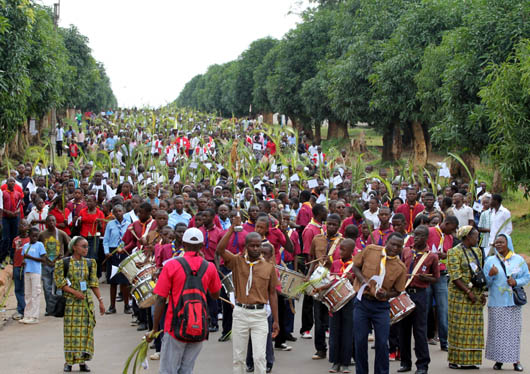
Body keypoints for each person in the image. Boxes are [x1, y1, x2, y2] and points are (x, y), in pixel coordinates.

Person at [148, 227, 221, 374]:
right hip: (199, 326)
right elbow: (215, 295)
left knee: (168, 370)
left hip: (174, 325)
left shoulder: (171, 265)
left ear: (183, 244)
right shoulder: (210, 267)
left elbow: (161, 299)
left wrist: (155, 329)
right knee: (187, 369)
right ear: (202, 246)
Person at [217, 218, 280, 374]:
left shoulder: (269, 267)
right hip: (240, 313)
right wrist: (232, 229)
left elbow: (272, 294)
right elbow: (220, 250)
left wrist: (276, 321)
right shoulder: (237, 261)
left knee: (259, 357)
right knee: (238, 357)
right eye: (252, 246)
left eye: (258, 246)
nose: (255, 249)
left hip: (260, 315)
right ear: (246, 246)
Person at [351, 233, 407, 374]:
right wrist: (363, 280)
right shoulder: (370, 250)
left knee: (382, 343)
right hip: (362, 302)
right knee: (360, 341)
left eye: (398, 246)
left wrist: (387, 294)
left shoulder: (401, 267)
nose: (394, 248)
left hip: (381, 307)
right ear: (386, 242)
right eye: (392, 244)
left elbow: (398, 291)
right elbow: (355, 267)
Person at [54, 236, 105, 372]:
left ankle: (82, 361)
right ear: (74, 247)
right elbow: (60, 283)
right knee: (71, 333)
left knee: (86, 332)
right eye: (83, 246)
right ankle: (69, 362)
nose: (86, 249)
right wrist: (74, 292)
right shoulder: (63, 263)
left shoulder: (90, 263)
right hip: (71, 303)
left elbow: (93, 283)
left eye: (87, 246)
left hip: (86, 303)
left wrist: (100, 301)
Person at [483, 234, 529, 372]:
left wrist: (516, 282)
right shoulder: (490, 260)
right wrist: (490, 275)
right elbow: (486, 283)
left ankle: (516, 361)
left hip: (513, 303)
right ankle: (499, 361)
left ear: (508, 243)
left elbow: (526, 277)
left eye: (501, 242)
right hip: (496, 302)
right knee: (497, 333)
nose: (498, 244)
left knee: (513, 333)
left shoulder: (518, 260)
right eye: (496, 242)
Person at [398, 225, 440, 374]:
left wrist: (426, 279)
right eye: (415, 235)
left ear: (426, 237)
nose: (417, 238)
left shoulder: (431, 256)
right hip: (405, 292)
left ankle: (422, 365)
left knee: (419, 330)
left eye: (421, 235)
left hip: (420, 294)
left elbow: (436, 277)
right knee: (403, 329)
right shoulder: (406, 251)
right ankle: (405, 362)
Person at [314, 238, 356, 373]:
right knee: (335, 331)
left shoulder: (355, 265)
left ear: (351, 251)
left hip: (349, 302)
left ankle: (345, 362)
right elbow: (331, 280)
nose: (340, 251)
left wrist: (352, 278)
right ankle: (335, 362)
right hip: (334, 302)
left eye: (344, 249)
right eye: (340, 248)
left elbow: (360, 284)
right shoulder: (335, 263)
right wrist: (320, 288)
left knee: (347, 332)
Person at [447, 226, 486, 369]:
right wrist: (468, 292)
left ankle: (471, 360)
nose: (477, 239)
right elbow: (455, 276)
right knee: (459, 327)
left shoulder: (477, 252)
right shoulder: (454, 252)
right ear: (467, 237)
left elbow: (479, 272)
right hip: (459, 295)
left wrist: (480, 293)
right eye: (475, 236)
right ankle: (455, 359)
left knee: (474, 328)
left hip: (475, 293)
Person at [306, 213, 342, 360]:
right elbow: (312, 259)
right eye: (329, 224)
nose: (331, 227)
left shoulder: (343, 241)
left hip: (333, 281)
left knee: (333, 316)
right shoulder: (317, 239)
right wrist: (308, 275)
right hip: (318, 281)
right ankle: (320, 349)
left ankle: (336, 350)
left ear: (339, 226)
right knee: (318, 317)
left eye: (334, 224)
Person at [425, 215, 458, 352]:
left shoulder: (449, 238)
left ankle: (444, 341)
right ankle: (424, 337)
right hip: (427, 274)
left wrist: (446, 256)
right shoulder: (431, 231)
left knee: (443, 309)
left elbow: (448, 255)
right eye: (453, 228)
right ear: (446, 223)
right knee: (425, 309)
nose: (454, 231)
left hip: (442, 276)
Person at [38, 215, 71, 316]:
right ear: (46, 223)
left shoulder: (61, 233)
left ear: (56, 222)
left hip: (58, 265)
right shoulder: (42, 235)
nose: (51, 223)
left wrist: (64, 257)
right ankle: (50, 309)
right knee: (47, 288)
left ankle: (59, 309)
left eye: (53, 220)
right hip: (46, 264)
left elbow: (70, 245)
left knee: (59, 288)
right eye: (49, 221)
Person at [102, 204, 131, 314]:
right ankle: (112, 306)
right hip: (112, 253)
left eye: (120, 211)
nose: (118, 213)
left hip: (124, 252)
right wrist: (107, 252)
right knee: (113, 281)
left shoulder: (129, 225)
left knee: (124, 281)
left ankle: (127, 305)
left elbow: (130, 240)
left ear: (123, 211)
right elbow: (106, 240)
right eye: (116, 211)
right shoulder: (110, 224)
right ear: (113, 213)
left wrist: (127, 250)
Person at [20, 227, 46, 324]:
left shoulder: (40, 245)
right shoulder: (26, 246)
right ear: (29, 235)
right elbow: (24, 258)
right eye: (33, 236)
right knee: (28, 294)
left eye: (36, 236)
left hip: (36, 272)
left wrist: (30, 257)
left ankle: (34, 316)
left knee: (35, 294)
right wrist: (24, 262)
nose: (35, 238)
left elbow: (43, 260)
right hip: (27, 271)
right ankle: (27, 315)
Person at [1, 177, 23, 264]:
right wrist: (8, 212)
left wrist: (16, 212)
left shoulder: (18, 194)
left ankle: (12, 256)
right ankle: (2, 257)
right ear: (7, 183)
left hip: (15, 218)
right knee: (5, 238)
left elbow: (19, 206)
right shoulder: (3, 193)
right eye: (10, 181)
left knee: (15, 237)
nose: (12, 183)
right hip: (5, 217)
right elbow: (1, 206)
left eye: (14, 181)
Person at [11, 219, 30, 320]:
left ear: (28, 227)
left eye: (25, 224)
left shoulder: (31, 239)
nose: (23, 226)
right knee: (18, 289)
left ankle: (26, 309)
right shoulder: (15, 240)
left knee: (27, 289)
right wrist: (13, 267)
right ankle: (20, 310)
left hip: (27, 267)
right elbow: (13, 254)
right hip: (17, 267)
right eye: (21, 225)